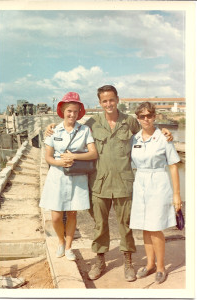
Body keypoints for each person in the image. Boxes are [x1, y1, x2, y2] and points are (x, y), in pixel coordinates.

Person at [45, 85, 172, 281]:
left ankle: (128, 262)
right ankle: (100, 260)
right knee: (99, 225)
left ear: (117, 99)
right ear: (100, 102)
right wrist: (51, 127)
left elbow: (148, 130)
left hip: (124, 183)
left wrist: (164, 131)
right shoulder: (92, 124)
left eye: (111, 100)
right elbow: (71, 127)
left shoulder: (129, 122)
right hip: (99, 183)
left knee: (126, 225)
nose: (108, 104)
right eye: (104, 101)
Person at [39, 92, 98, 261]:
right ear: (63, 111)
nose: (72, 114)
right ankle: (60, 241)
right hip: (57, 175)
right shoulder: (54, 130)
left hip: (76, 175)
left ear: (80, 112)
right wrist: (60, 163)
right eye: (69, 111)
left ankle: (69, 246)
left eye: (75, 111)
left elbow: (93, 153)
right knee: (56, 215)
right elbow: (48, 157)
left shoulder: (85, 130)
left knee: (72, 212)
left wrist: (74, 157)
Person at [129, 102, 182, 284]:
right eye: (142, 116)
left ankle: (161, 267)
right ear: (138, 118)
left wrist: (177, 195)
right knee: (145, 225)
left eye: (149, 115)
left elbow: (173, 166)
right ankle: (150, 264)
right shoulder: (134, 139)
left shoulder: (163, 138)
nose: (146, 119)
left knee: (155, 226)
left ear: (155, 116)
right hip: (140, 182)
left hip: (158, 182)